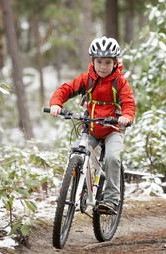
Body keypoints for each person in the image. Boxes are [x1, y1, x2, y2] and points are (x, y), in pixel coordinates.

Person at [49, 36, 135, 214]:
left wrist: (126, 116)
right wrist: (56, 103)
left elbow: (129, 103)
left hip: (113, 129)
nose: (103, 66)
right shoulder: (87, 79)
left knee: (112, 158)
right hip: (92, 128)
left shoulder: (120, 82)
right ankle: (71, 189)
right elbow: (66, 89)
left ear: (115, 63)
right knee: (75, 152)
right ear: (93, 61)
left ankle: (111, 200)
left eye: (107, 62)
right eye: (99, 62)